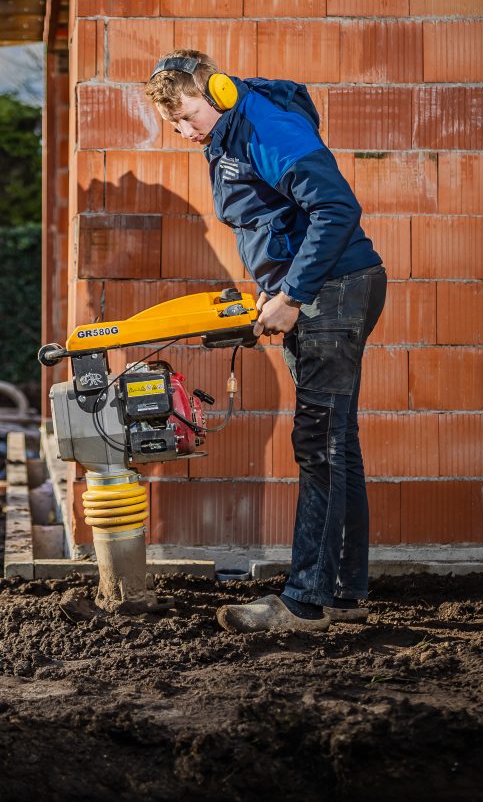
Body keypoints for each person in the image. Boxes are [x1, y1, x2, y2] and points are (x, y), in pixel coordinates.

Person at [145, 49, 386, 633]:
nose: (181, 131)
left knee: (318, 445)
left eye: (185, 115)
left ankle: (304, 603)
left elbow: (335, 207)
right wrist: (274, 291)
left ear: (219, 91)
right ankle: (342, 595)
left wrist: (293, 295)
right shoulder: (228, 132)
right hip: (323, 290)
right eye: (171, 123)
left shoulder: (264, 124)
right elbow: (276, 220)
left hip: (334, 290)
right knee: (336, 443)